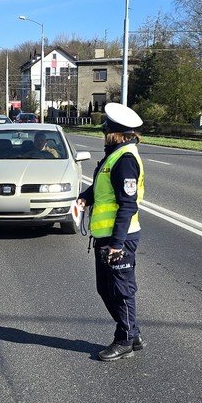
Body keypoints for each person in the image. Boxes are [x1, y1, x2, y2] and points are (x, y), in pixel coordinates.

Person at [75, 102, 145, 361]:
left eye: (106, 130)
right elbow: (102, 188)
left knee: (120, 290)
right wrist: (85, 197)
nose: (103, 134)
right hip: (106, 236)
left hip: (119, 238)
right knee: (105, 289)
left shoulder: (125, 160)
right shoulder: (114, 155)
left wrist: (117, 243)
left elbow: (128, 204)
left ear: (116, 133)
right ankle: (132, 333)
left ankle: (125, 340)